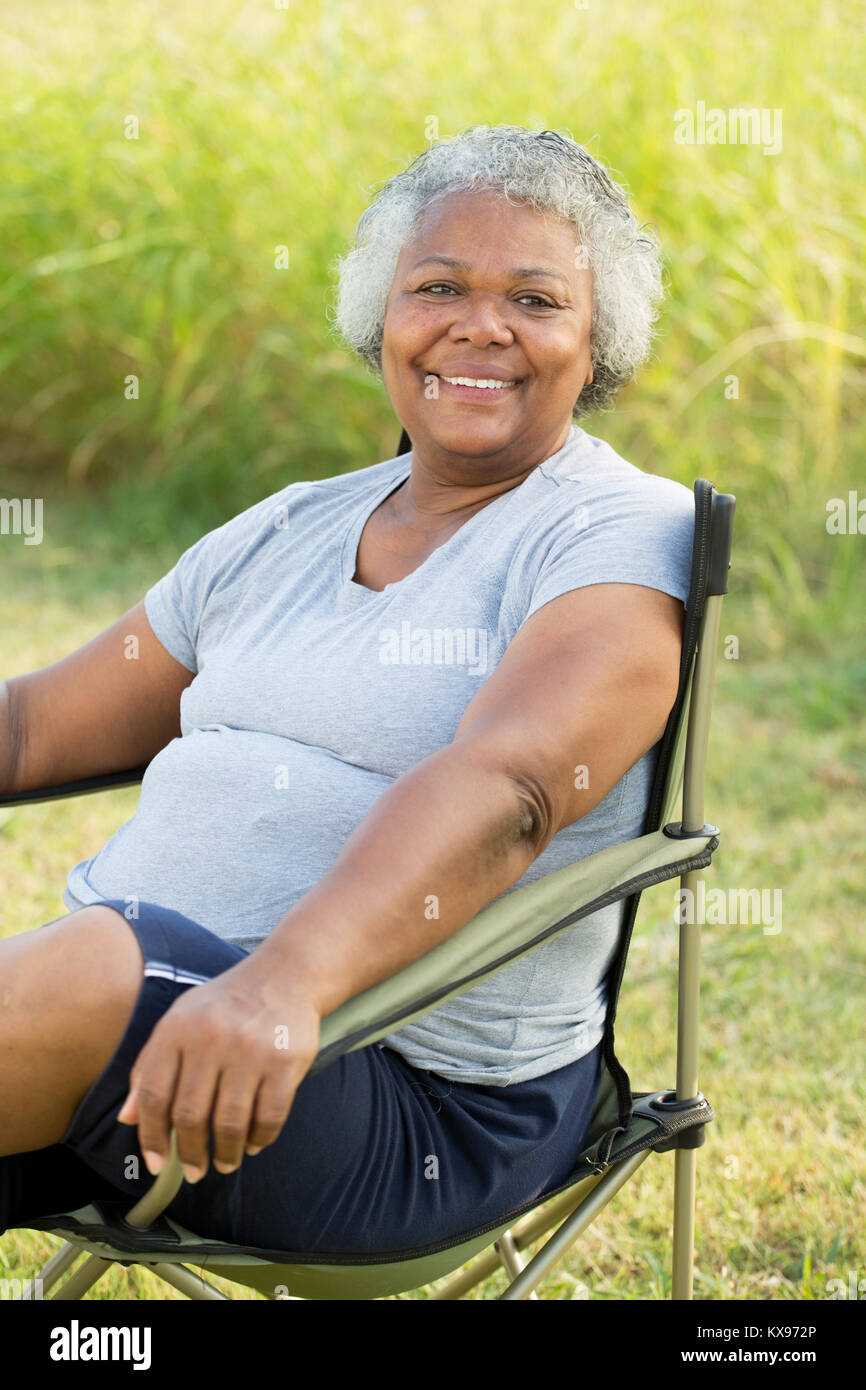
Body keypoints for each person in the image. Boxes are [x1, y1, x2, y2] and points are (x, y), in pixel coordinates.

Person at [0, 124, 694, 1258]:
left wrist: (281, 986)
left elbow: (514, 783)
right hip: (120, 1054)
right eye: (436, 287)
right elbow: (32, 722)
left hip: (385, 1091)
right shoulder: (285, 525)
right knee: (89, 970)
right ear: (382, 319)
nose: (479, 326)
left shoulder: (613, 533)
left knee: (91, 962)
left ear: (595, 339)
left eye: (534, 298)